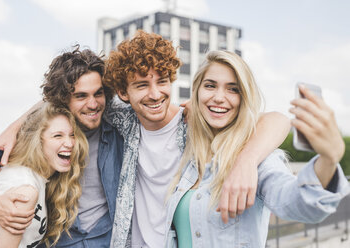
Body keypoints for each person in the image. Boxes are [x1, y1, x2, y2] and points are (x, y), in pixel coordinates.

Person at [103, 30, 291, 248]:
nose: (155, 94)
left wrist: (247, 161)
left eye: (162, 82)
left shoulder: (194, 125)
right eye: (142, 85)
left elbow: (278, 120)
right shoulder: (125, 123)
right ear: (123, 93)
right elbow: (84, 101)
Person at [164, 50, 349, 248]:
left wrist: (329, 159)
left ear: (244, 98)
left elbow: (298, 203)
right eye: (210, 86)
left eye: (233, 89)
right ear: (197, 92)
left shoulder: (259, 159)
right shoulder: (186, 154)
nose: (219, 97)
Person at [0, 46, 124, 247]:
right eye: (81, 96)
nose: (93, 104)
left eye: (98, 94)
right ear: (63, 99)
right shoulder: (42, 128)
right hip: (60, 240)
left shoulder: (118, 126)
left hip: (106, 239)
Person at [0, 103, 88, 247]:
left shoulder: (37, 179)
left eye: (72, 135)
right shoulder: (26, 189)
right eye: (57, 136)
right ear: (37, 141)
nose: (70, 143)